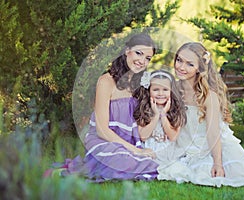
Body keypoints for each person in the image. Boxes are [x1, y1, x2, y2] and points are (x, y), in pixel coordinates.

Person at [156, 42, 244, 187]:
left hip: (211, 145)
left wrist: (218, 163)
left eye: (189, 64)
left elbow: (213, 132)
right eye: (179, 60)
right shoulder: (172, 87)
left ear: (200, 68)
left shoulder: (208, 96)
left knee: (235, 171)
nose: (181, 67)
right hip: (184, 143)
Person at [45, 33, 159, 182]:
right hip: (104, 140)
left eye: (148, 58)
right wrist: (136, 150)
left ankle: (119, 162)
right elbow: (102, 130)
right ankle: (70, 171)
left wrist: (157, 115)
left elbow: (141, 132)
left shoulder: (141, 84)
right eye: (139, 53)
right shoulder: (106, 81)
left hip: (129, 142)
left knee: (153, 163)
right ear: (127, 50)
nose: (142, 61)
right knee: (123, 161)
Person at [133, 69, 186, 153]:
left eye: (165, 89)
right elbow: (143, 136)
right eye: (156, 89)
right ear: (149, 90)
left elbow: (172, 137)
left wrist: (163, 114)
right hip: (148, 150)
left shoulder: (176, 109)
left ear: (171, 91)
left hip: (167, 152)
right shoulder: (143, 108)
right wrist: (156, 115)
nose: (160, 93)